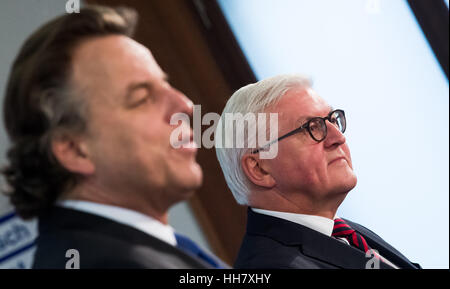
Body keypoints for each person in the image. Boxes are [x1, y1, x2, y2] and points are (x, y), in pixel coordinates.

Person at [2, 5, 226, 269]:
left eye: (166, 84)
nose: (185, 104)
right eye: (142, 98)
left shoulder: (150, 246)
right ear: (75, 149)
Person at [215, 74, 421, 269]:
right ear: (260, 169)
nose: (338, 137)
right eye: (312, 127)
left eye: (332, 119)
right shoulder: (270, 265)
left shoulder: (345, 232)